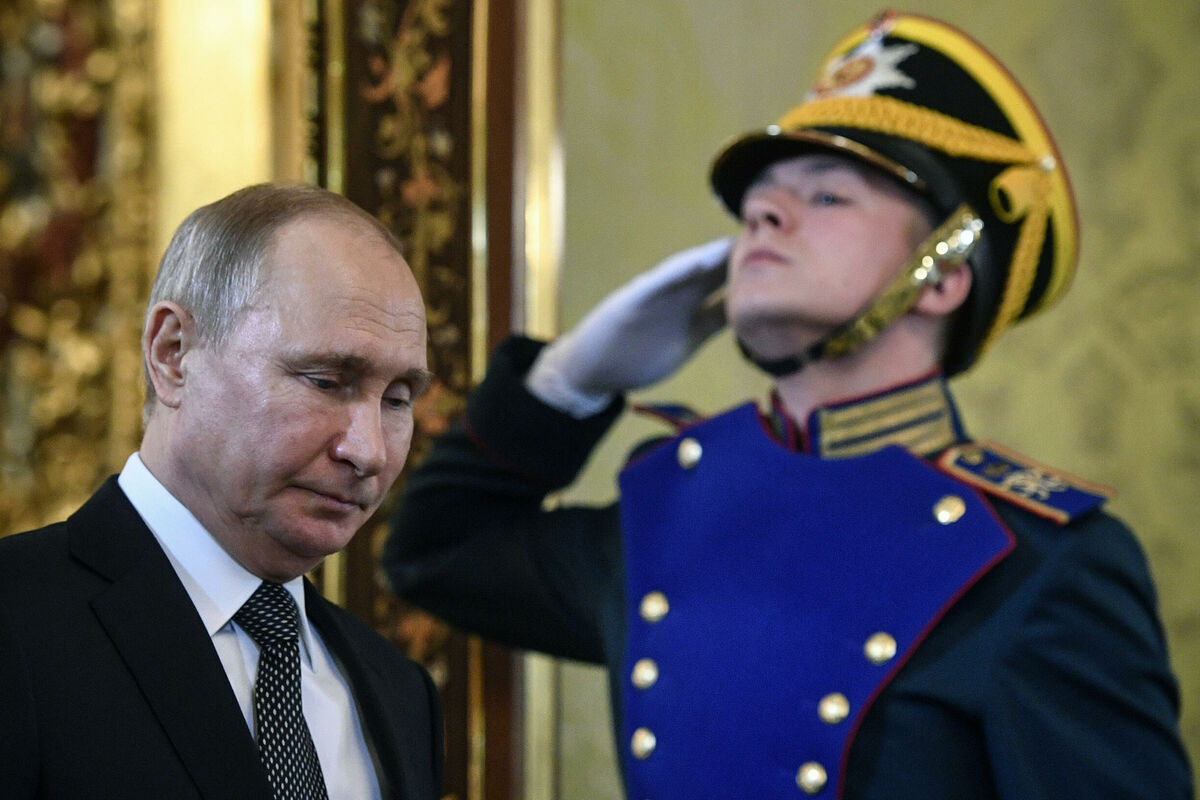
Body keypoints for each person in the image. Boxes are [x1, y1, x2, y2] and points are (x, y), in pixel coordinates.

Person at [384, 11, 1193, 800]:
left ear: (944, 276)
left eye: (829, 196)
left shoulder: (1036, 563)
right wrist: (569, 383)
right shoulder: (674, 505)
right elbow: (435, 551)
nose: (763, 213)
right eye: (759, 201)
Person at [0, 183, 444, 799]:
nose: (368, 451)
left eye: (397, 400)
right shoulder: (18, 621)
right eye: (324, 381)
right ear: (173, 354)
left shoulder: (400, 692)